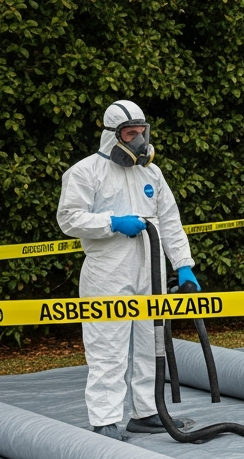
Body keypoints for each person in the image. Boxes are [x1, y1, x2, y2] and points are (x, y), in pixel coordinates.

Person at [57, 100, 200, 440]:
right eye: (130, 133)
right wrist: (112, 223)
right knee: (108, 347)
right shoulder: (84, 172)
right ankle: (105, 419)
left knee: (150, 346)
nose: (138, 141)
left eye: (142, 132)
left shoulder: (151, 172)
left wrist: (183, 265)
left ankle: (146, 412)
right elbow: (69, 218)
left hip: (150, 271)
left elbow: (169, 222)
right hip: (108, 274)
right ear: (112, 136)